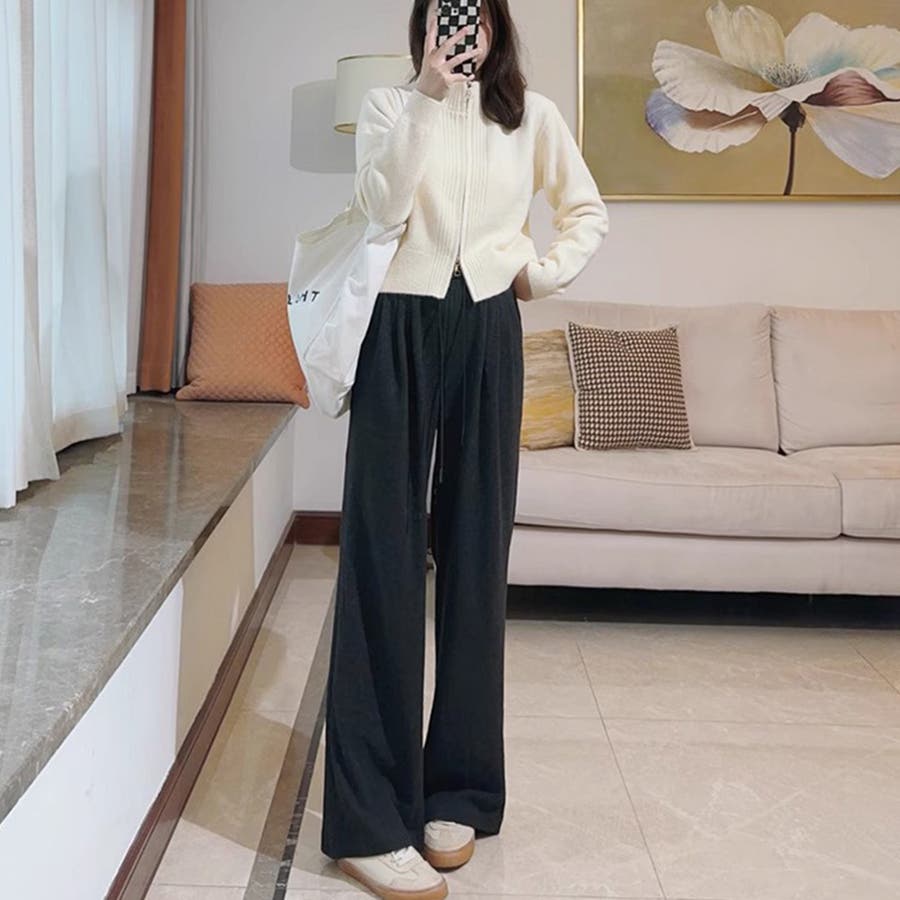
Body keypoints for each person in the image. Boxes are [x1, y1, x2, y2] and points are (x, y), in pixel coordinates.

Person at [321, 1, 609, 897]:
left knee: (479, 556)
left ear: (495, 30)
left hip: (488, 327)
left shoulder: (532, 115)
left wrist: (539, 273)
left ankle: (460, 792)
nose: (461, 34)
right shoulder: (387, 105)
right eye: (446, 16)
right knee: (383, 557)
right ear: (423, 29)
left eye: (474, 18)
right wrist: (424, 97)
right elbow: (378, 209)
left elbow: (586, 211)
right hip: (397, 326)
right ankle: (370, 819)